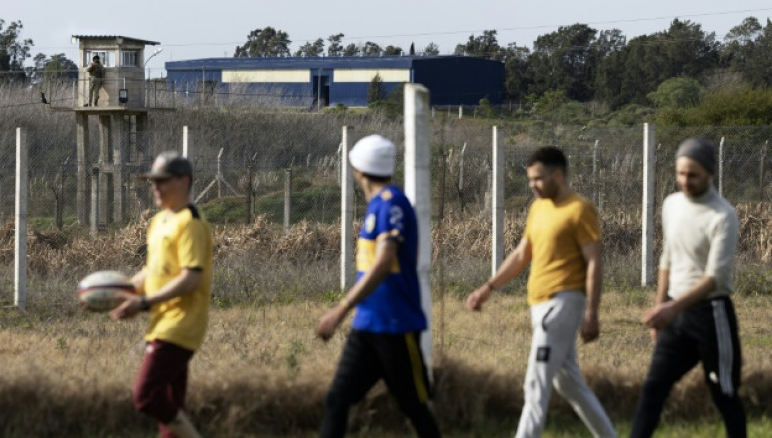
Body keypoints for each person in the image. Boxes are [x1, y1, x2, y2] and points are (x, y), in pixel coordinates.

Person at [466, 146, 617, 438]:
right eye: (530, 180)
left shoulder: (579, 209)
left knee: (535, 385)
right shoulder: (538, 208)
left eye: (537, 179)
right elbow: (522, 254)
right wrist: (488, 287)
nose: (532, 185)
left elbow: (595, 263)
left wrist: (592, 313)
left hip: (562, 304)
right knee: (569, 383)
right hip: (540, 305)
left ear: (557, 174)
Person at [316, 134, 441, 438]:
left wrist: (341, 309)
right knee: (338, 398)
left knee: (414, 407)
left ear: (358, 170)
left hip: (397, 327)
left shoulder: (391, 205)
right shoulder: (377, 207)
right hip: (367, 326)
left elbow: (385, 260)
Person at [630, 138, 746, 438]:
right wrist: (661, 307)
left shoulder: (722, 215)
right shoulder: (671, 205)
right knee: (653, 388)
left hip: (712, 316)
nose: (684, 181)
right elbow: (667, 258)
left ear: (709, 173)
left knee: (725, 394)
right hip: (674, 316)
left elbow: (714, 278)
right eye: (680, 173)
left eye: (692, 175)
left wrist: (670, 308)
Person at [111, 151, 213, 438]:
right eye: (153, 182)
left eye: (163, 181)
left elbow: (191, 279)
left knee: (147, 396)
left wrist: (143, 303)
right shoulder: (159, 222)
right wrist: (118, 293)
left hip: (180, 323)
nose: (155, 188)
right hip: (163, 321)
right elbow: (152, 271)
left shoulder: (191, 222)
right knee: (171, 409)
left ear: (184, 181)